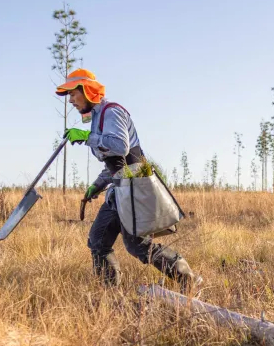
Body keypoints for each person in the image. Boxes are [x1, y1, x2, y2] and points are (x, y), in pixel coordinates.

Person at [55, 68, 199, 290]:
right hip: (120, 188)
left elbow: (120, 147)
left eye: (73, 94)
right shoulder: (97, 118)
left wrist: (86, 137)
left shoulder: (112, 112)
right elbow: (114, 162)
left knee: (137, 246)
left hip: (134, 189)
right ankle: (109, 293)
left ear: (87, 90)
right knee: (98, 241)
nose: (71, 100)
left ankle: (189, 280)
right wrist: (98, 184)